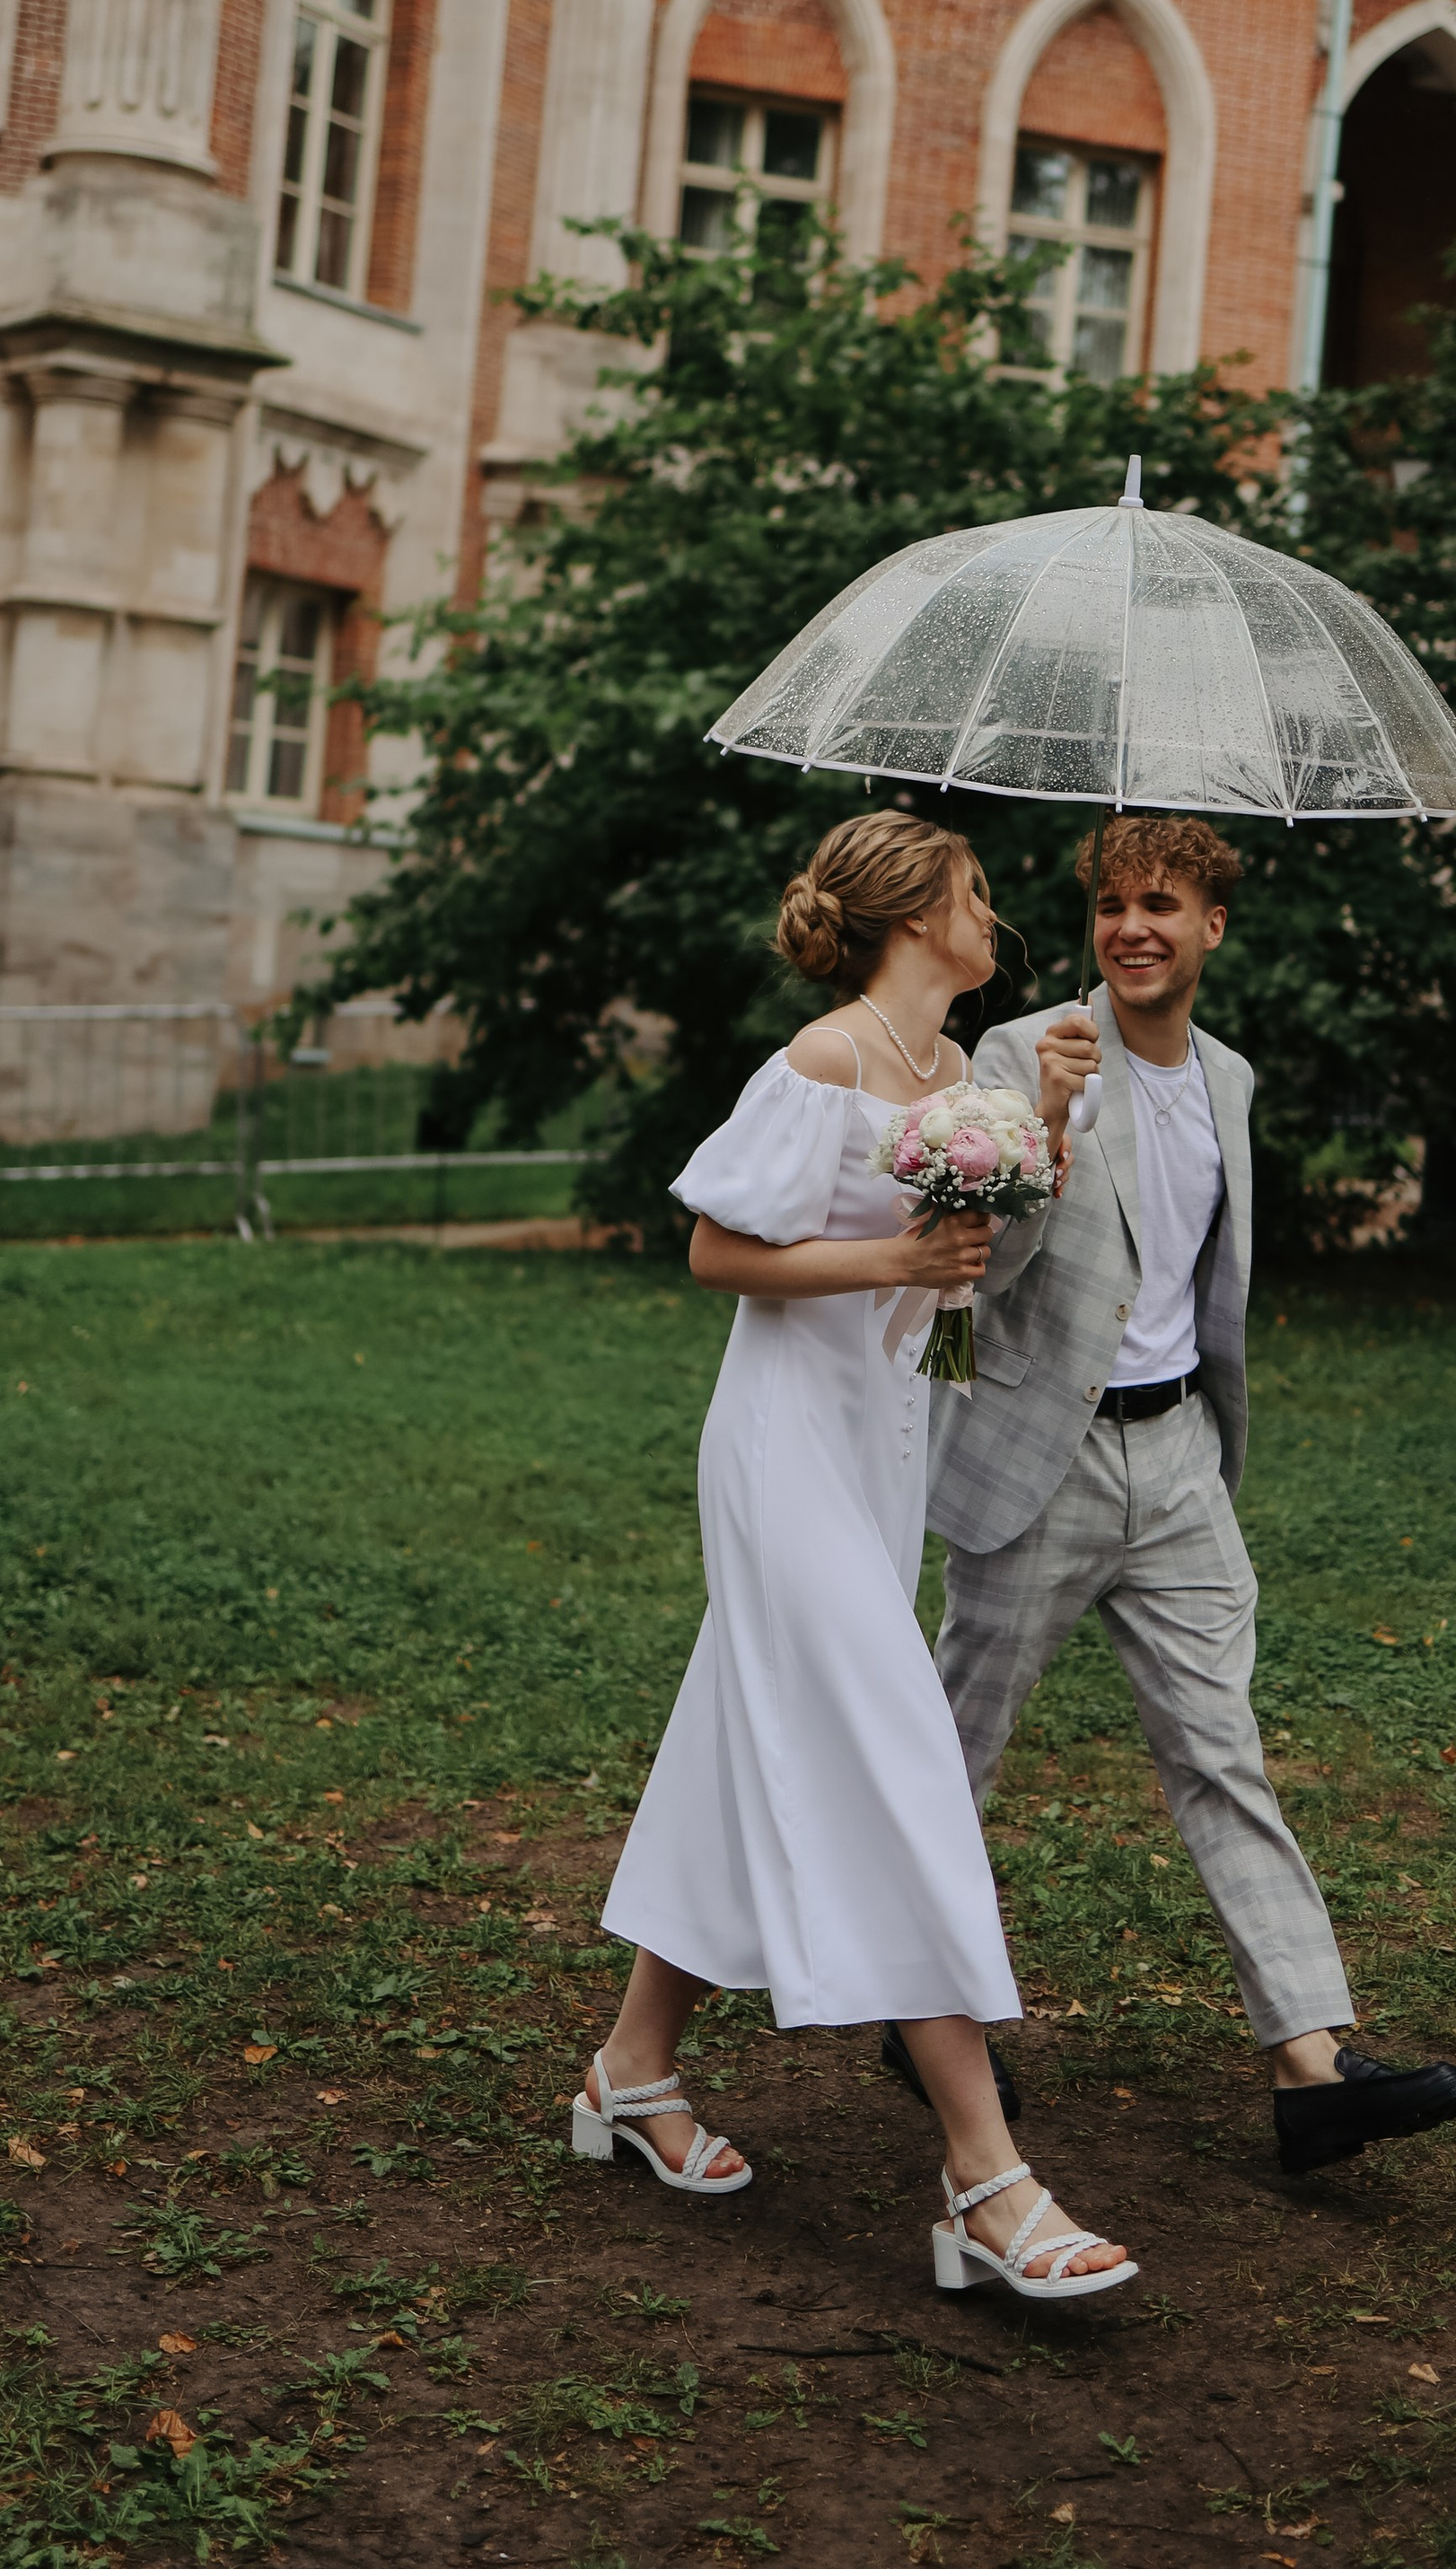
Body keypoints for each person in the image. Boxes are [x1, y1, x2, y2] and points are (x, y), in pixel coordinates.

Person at [579, 810, 1136, 2302]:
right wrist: (896, 1259)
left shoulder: (960, 1076)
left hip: (888, 1444)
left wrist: (1053, 1130)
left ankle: (632, 2069)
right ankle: (984, 2173)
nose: (995, 918)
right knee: (895, 1752)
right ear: (914, 921)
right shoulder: (817, 1064)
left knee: (742, 1736)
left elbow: (979, 1259)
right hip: (781, 1453)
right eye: (974, 895)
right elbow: (713, 1252)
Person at [905, 812, 1456, 2179]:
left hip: (1176, 1465)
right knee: (949, 1753)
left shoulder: (1228, 1077)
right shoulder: (1020, 1048)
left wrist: (1207, 1449)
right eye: (1111, 907)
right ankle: (910, 1991)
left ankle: (1310, 2067)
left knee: (1223, 1752)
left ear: (1213, 926)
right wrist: (1043, 1113)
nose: (1132, 929)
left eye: (1161, 905)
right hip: (1037, 1459)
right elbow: (977, 1265)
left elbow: (1202, 1279)